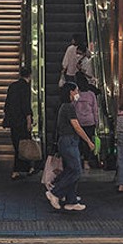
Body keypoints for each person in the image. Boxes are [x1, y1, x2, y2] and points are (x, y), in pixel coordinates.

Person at [47, 81, 91, 212]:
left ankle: (70, 200)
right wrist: (88, 141)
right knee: (76, 170)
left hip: (67, 141)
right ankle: (55, 192)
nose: (78, 93)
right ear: (70, 92)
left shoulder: (64, 106)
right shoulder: (68, 107)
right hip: (69, 141)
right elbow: (76, 126)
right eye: (76, 91)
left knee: (71, 169)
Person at [3, 66, 35, 179]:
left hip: (13, 121)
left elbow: (7, 104)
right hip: (22, 121)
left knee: (17, 145)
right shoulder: (26, 87)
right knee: (24, 144)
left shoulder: (12, 86)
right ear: (30, 75)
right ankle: (24, 168)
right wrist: (29, 121)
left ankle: (20, 169)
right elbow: (26, 106)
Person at [73, 79, 101, 168]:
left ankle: (79, 159)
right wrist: (96, 121)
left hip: (79, 121)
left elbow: (73, 106)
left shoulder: (77, 95)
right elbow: (95, 109)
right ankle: (86, 161)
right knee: (88, 141)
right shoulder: (91, 94)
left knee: (80, 142)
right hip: (90, 121)